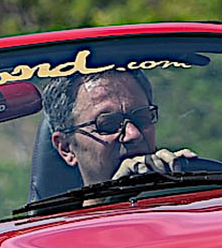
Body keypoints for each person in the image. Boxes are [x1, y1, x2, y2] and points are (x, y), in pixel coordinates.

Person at [44, 70, 197, 185]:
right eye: (107, 124)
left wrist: (190, 180)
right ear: (66, 147)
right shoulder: (60, 220)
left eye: (142, 117)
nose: (133, 134)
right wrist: (107, 200)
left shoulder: (190, 203)